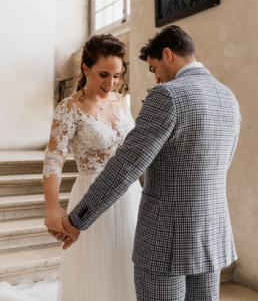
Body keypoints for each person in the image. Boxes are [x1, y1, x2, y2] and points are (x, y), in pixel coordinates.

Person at [51, 25, 241, 301]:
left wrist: (77, 220)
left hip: (165, 240)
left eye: (154, 68)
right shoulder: (228, 97)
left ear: (167, 55)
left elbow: (126, 166)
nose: (157, 78)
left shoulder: (167, 96)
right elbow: (221, 165)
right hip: (212, 235)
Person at [43, 34, 141, 301]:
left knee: (129, 266)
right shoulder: (69, 108)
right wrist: (52, 207)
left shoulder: (121, 102)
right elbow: (53, 160)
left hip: (130, 196)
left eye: (117, 75)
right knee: (99, 274)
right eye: (103, 74)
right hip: (92, 198)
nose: (111, 83)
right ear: (86, 69)